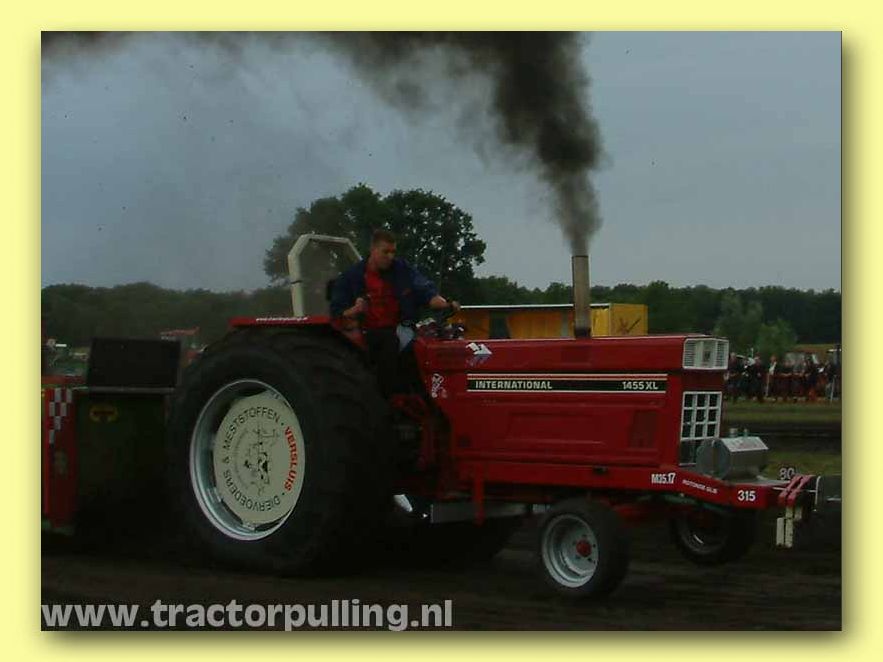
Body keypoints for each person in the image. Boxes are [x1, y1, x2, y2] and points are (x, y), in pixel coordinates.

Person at [330, 229, 460, 396]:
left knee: (427, 342)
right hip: (366, 332)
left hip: (400, 327)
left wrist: (444, 303)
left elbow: (424, 289)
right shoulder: (350, 278)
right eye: (386, 252)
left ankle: (428, 396)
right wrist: (355, 310)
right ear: (373, 250)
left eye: (393, 252)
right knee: (390, 342)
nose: (390, 256)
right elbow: (337, 314)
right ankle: (389, 398)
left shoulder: (402, 270)